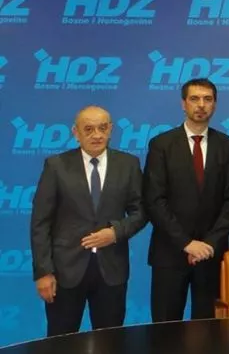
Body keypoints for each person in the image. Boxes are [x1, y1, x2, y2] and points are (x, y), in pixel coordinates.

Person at [30, 105, 146, 336]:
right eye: (89, 129)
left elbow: (141, 211)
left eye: (102, 128)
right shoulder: (56, 166)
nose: (97, 135)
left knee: (110, 343)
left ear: (111, 129)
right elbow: (40, 222)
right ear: (76, 132)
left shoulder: (128, 164)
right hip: (65, 272)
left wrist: (115, 232)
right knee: (60, 342)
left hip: (111, 270)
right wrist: (43, 272)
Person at [143, 78, 229, 322]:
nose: (201, 105)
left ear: (215, 105)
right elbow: (154, 200)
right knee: (165, 330)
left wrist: (208, 244)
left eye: (207, 99)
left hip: (210, 254)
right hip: (170, 253)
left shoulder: (226, 145)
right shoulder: (161, 144)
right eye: (194, 99)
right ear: (183, 104)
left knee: (209, 330)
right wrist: (186, 243)